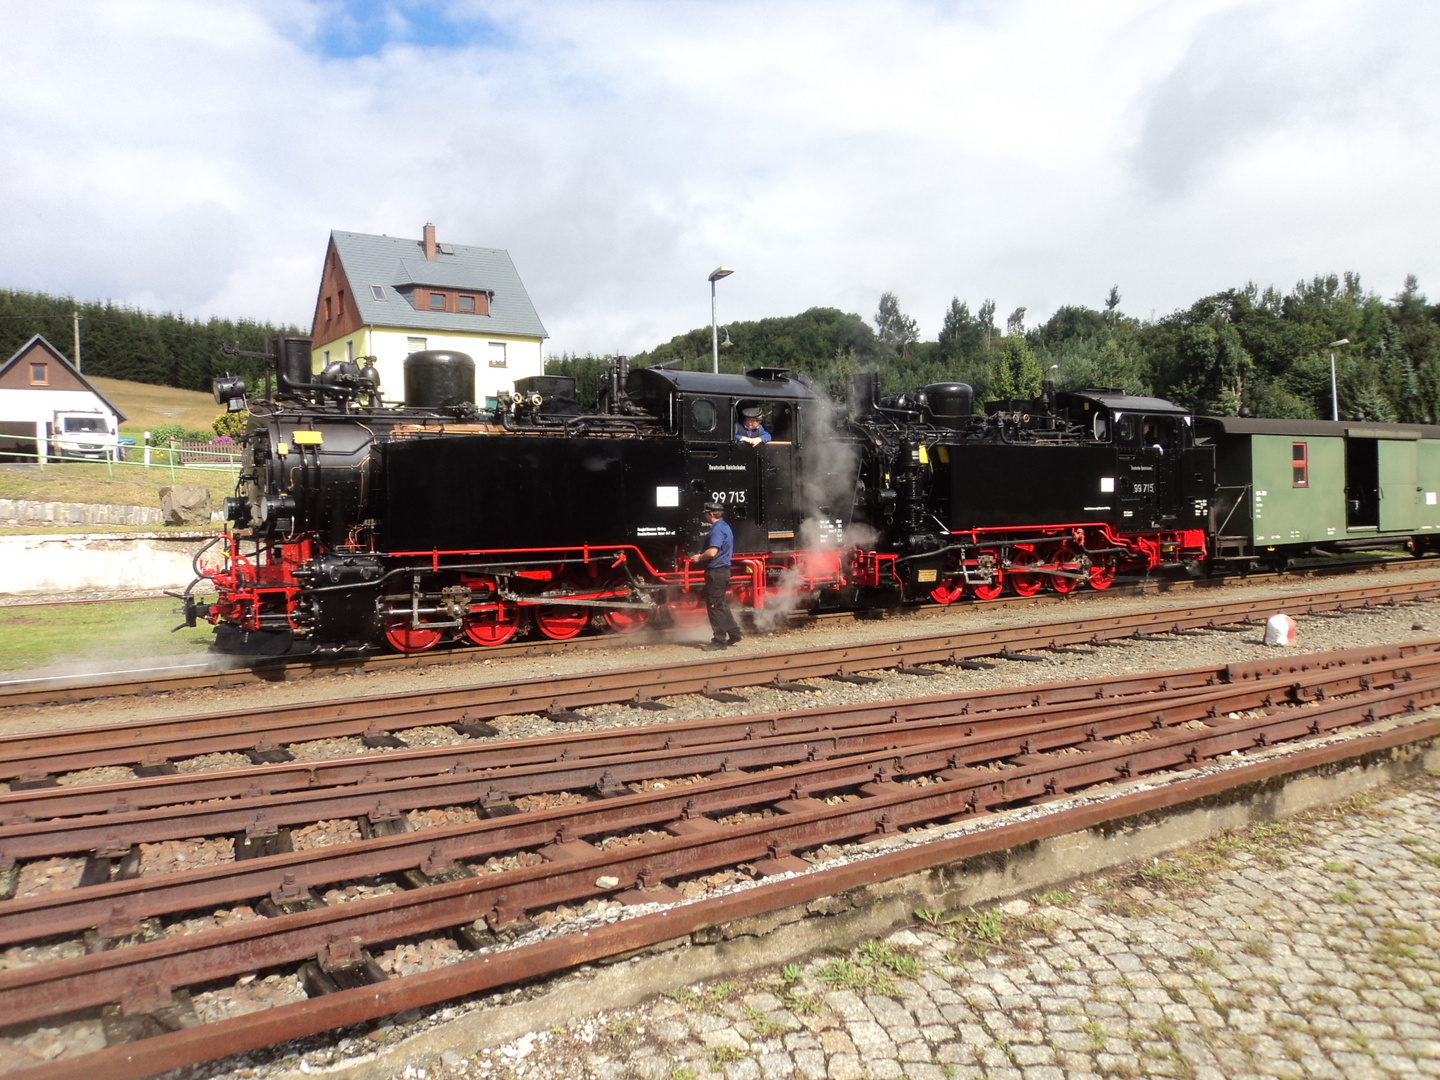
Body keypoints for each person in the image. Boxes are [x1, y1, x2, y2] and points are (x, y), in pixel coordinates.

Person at [691, 499, 743, 650]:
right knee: (720, 604)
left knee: (714, 606)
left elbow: (713, 552)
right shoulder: (724, 526)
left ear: (711, 514)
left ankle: (719, 641)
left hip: (716, 571)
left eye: (706, 513)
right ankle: (735, 633)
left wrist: (698, 558)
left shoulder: (717, 529)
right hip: (722, 570)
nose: (705, 516)